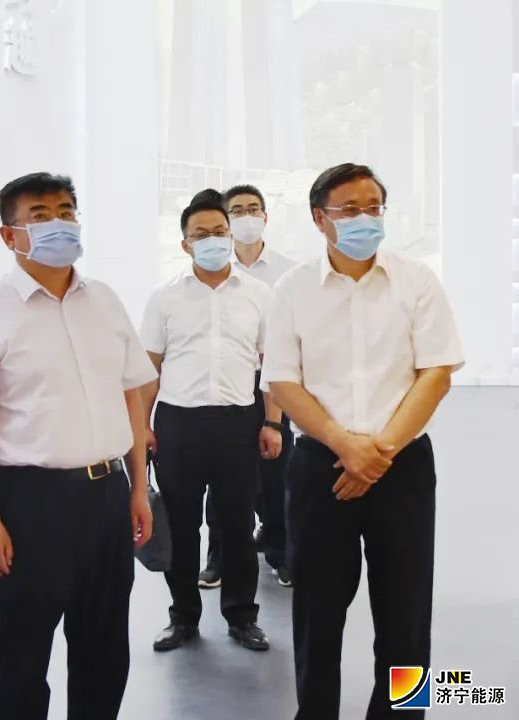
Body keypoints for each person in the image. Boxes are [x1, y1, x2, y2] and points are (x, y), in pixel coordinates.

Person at [0, 172, 155, 719]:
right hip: (31, 500)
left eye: (66, 211)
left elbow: (131, 397)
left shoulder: (103, 301)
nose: (58, 223)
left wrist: (138, 488)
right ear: (8, 234)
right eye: (39, 215)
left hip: (107, 493)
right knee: (24, 647)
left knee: (104, 644)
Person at [262, 163, 463, 719]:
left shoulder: (416, 280)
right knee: (316, 612)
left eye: (373, 207)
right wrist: (344, 446)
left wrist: (379, 453)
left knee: (407, 615)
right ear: (319, 219)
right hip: (320, 467)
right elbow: (283, 381)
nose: (364, 218)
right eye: (349, 209)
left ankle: (404, 713)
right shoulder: (292, 289)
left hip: (403, 467)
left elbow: (436, 373)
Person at [140, 191, 278, 653]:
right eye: (202, 234)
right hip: (178, 425)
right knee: (179, 527)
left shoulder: (259, 295)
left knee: (237, 526)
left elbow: (272, 365)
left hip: (238, 422)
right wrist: (142, 427)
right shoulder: (164, 298)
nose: (213, 240)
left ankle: (242, 617)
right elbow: (149, 369)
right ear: (185, 244)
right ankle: (182, 618)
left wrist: (273, 423)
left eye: (220, 231)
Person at [198, 184, 298, 589]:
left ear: (266, 216)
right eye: (237, 211)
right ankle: (218, 556)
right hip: (225, 382)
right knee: (221, 475)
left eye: (253, 209)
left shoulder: (288, 272)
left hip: (273, 381)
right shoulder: (213, 270)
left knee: (277, 473)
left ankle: (280, 551)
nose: (246, 217)